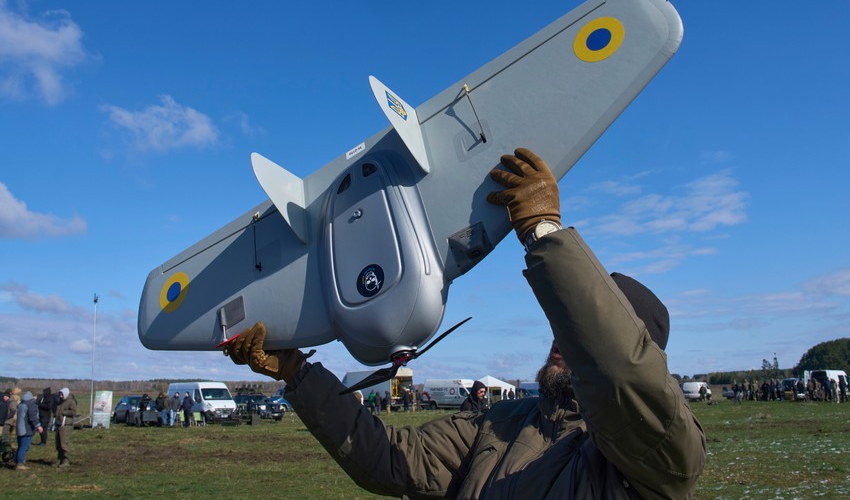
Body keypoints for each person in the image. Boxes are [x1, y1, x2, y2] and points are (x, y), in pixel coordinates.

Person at [226, 147, 706, 498]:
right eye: (564, 328)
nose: (562, 340)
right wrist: (298, 374)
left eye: (581, 330)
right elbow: (393, 460)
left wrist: (544, 234)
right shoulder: (501, 424)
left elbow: (620, 372)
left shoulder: (660, 459)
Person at [14, 391, 43, 470]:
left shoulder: (20, 404)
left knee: (20, 446)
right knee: (24, 446)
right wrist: (38, 426)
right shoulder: (30, 404)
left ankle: (17, 461)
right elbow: (33, 417)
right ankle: (20, 464)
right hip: (26, 429)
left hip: (19, 429)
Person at [54, 387, 77, 468]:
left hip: (66, 425)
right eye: (60, 394)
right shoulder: (60, 402)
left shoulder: (71, 401)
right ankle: (59, 459)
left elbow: (73, 412)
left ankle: (66, 460)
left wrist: (64, 413)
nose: (60, 396)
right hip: (58, 424)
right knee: (58, 444)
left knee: (64, 444)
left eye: (61, 394)